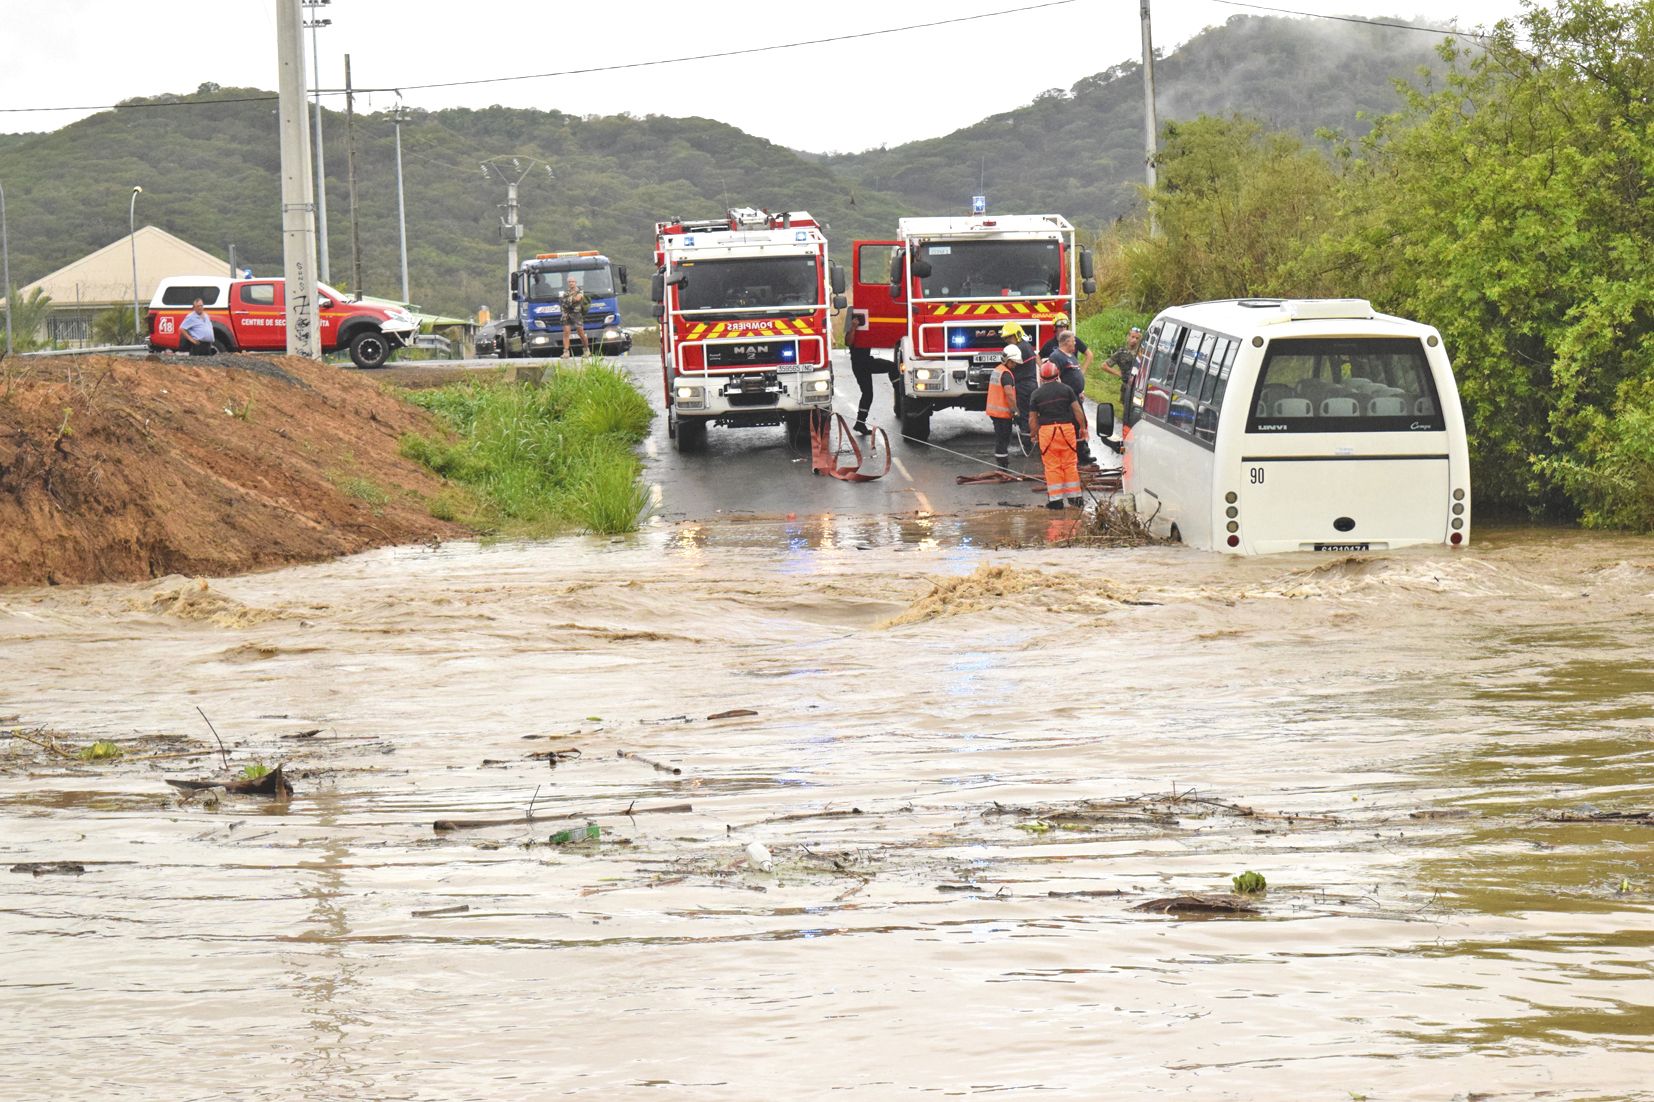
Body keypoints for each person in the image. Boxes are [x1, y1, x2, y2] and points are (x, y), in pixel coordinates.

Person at [1027, 359, 1087, 509]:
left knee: (1052, 466)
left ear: (1041, 377)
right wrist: (1083, 428)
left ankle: (1056, 501)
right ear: (1057, 374)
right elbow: (1077, 411)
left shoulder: (1036, 394)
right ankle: (1075, 498)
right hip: (1066, 430)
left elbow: (1032, 418)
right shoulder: (1066, 390)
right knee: (1069, 464)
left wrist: (1033, 434)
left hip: (1047, 432)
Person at [1046, 330, 1096, 467]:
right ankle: (1074, 454)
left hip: (1077, 396)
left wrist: (1081, 390)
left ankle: (1083, 453)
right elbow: (1055, 377)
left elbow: (1076, 373)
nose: (1075, 342)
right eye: (1073, 340)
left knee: (1081, 423)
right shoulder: (1056, 357)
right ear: (1067, 341)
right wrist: (1064, 394)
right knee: (1073, 426)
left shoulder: (1072, 356)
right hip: (1067, 399)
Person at [1000, 321, 1039, 435]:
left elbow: (1007, 364)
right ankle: (1031, 437)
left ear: (1017, 334)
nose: (1007, 340)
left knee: (1024, 416)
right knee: (1031, 413)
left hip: (1023, 386)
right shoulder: (1026, 346)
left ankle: (1027, 439)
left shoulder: (1019, 349)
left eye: (1009, 337)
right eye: (1005, 338)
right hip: (1030, 384)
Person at [987, 345, 1021, 470]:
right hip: (1002, 414)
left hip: (995, 412)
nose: (1016, 365)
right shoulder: (1006, 375)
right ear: (1009, 361)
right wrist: (1015, 411)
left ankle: (1001, 461)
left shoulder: (997, 370)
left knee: (1000, 438)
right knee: (1003, 439)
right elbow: (1009, 394)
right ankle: (1002, 465)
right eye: (1015, 362)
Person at [850, 349, 899, 436]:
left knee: (867, 394)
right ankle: (899, 392)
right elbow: (848, 341)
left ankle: (860, 423)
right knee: (867, 394)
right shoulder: (855, 335)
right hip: (860, 364)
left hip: (866, 362)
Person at [1108, 326, 1144, 419]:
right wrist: (1118, 373)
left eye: (1137, 338)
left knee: (1139, 411)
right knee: (1127, 412)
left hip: (1140, 386)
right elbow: (1104, 365)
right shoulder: (1121, 352)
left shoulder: (1143, 352)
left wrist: (1140, 355)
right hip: (1127, 385)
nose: (1134, 340)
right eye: (1132, 337)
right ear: (1128, 337)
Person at [559, 277, 590, 356]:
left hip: (577, 314)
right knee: (566, 332)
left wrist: (568, 299)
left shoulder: (580, 291)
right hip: (566, 314)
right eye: (569, 282)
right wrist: (569, 300)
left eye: (572, 281)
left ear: (575, 282)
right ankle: (566, 352)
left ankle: (586, 350)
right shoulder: (566, 292)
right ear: (568, 283)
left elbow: (577, 299)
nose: (571, 283)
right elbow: (563, 301)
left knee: (581, 332)